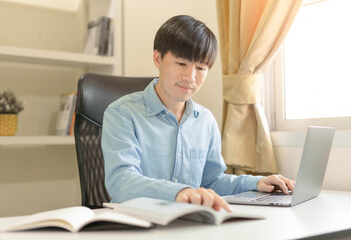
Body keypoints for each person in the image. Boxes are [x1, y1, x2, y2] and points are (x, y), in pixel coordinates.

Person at [101, 15, 294, 212]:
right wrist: (179, 192)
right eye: (181, 63)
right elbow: (121, 182)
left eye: (200, 68)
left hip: (188, 222)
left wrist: (256, 183)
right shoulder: (122, 114)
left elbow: (211, 182)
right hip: (136, 223)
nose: (190, 77)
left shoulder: (205, 121)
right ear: (157, 58)